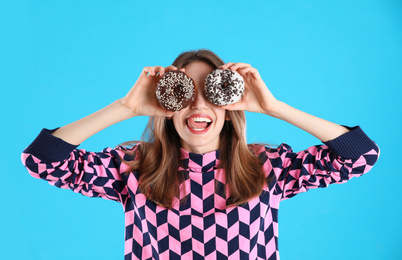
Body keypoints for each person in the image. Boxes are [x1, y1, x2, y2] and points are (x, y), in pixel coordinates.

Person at [22, 49, 379, 260]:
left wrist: (275, 108)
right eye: (184, 93)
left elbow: (360, 155)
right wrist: (126, 107)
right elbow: (41, 160)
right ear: (166, 104)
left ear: (229, 104)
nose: (198, 106)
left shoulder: (267, 166)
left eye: (212, 93)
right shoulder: (134, 166)